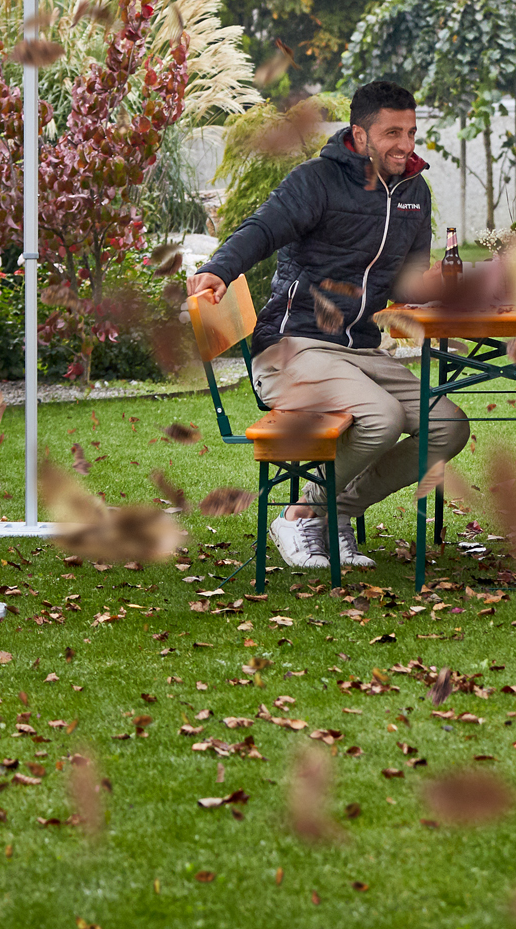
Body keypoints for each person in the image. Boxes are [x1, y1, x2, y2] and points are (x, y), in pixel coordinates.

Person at [188, 79, 470, 571]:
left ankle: (335, 511)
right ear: (359, 136)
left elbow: (407, 288)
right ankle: (299, 514)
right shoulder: (316, 180)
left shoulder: (413, 191)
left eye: (411, 132)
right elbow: (263, 227)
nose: (405, 145)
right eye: (392, 133)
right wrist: (218, 268)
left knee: (447, 426)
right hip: (292, 347)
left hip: (359, 352)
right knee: (382, 418)